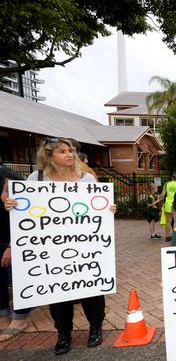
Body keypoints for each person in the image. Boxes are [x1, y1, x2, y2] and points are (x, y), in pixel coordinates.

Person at [3, 137, 117, 355]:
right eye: (63, 151)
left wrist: (108, 209)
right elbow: (25, 210)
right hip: (51, 248)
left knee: (91, 289)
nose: (69, 155)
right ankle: (63, 333)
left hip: (85, 245)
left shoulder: (87, 180)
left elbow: (98, 210)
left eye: (71, 151)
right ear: (49, 156)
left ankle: (95, 327)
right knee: (57, 291)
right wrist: (13, 205)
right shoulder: (36, 180)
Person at [0, 166, 31, 342]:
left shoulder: (8, 175)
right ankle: (3, 314)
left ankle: (20, 318)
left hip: (15, 236)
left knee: (20, 276)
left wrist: (12, 246)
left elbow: (26, 218)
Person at [161, 171, 176, 241]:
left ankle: (167, 237)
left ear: (172, 177)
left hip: (168, 204)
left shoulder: (167, 184)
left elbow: (162, 195)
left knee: (168, 222)